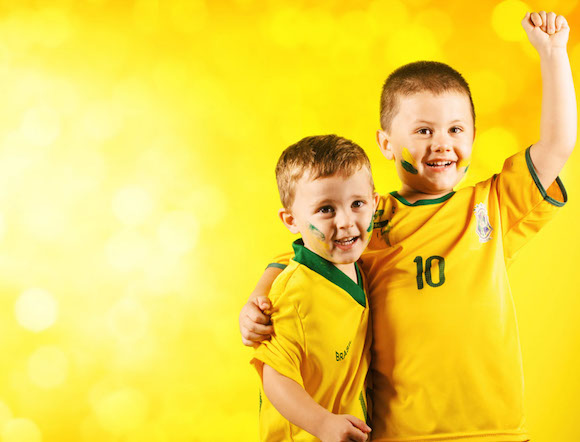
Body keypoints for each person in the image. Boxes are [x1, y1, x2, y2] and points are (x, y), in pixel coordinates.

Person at [240, 11, 576, 442]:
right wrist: (259, 298)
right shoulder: (365, 217)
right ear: (386, 143)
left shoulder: (491, 205)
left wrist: (553, 53)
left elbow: (557, 145)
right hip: (399, 433)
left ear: (473, 136)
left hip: (497, 432)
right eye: (423, 131)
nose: (442, 143)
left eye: (456, 129)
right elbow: (300, 253)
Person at [252, 134, 379, 441]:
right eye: (325, 209)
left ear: (375, 203)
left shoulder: (359, 262)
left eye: (357, 204)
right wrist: (322, 423)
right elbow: (275, 377)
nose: (346, 221)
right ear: (291, 220)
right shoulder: (293, 296)